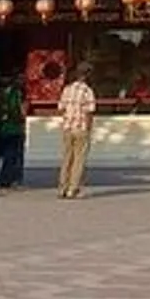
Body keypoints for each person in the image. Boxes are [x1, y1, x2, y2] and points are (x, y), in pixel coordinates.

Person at [56, 62, 97, 199]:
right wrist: (89, 129)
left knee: (67, 157)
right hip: (81, 127)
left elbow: (61, 108)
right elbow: (90, 112)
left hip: (68, 126)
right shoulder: (87, 91)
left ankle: (62, 187)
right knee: (79, 159)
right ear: (88, 75)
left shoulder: (67, 89)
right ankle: (73, 188)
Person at [0, 76, 26, 189]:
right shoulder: (14, 94)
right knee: (12, 155)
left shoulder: (2, 94)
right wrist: (21, 118)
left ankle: (5, 178)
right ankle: (8, 179)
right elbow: (15, 110)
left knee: (7, 154)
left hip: (4, 127)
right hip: (14, 128)